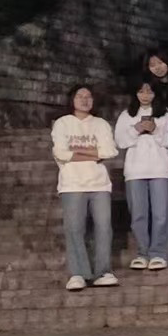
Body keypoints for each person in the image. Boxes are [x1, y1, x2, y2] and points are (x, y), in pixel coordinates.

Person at [51, 85, 119, 291]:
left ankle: (102, 271)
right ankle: (78, 273)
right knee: (74, 229)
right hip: (72, 183)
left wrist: (77, 152)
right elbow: (60, 152)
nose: (84, 100)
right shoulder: (63, 123)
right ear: (72, 100)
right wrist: (94, 153)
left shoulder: (100, 124)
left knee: (103, 227)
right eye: (80, 96)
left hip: (99, 183)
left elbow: (109, 151)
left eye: (88, 96)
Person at [114, 80, 168, 272]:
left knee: (161, 214)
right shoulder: (127, 115)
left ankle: (159, 254)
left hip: (161, 168)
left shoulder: (166, 114)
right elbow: (120, 141)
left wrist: (155, 130)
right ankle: (142, 253)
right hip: (135, 170)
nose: (145, 95)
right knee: (138, 214)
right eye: (141, 91)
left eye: (149, 91)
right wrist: (137, 129)